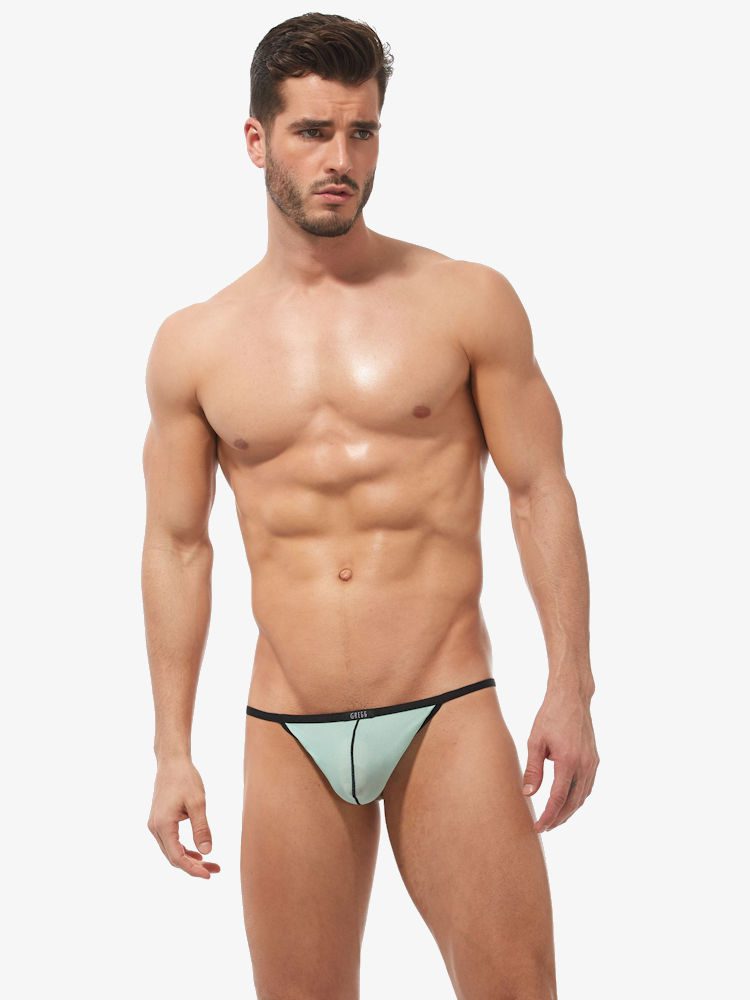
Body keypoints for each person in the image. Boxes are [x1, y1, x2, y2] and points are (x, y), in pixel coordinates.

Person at [142, 12, 599, 999]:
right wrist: (171, 749)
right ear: (257, 139)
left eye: (362, 132)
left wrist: (572, 685)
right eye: (313, 132)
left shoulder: (465, 300)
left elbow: (539, 488)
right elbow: (178, 547)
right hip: (287, 722)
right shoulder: (195, 344)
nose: (340, 160)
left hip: (445, 704)